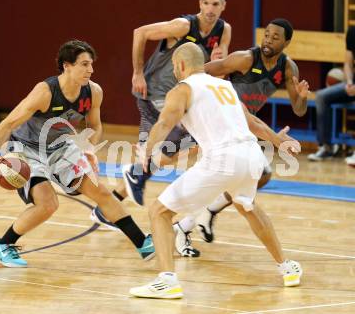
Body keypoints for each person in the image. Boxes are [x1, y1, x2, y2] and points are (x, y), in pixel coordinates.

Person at [130, 42, 303, 299]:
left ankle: (167, 280)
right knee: (247, 206)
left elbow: (166, 121)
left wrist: (146, 148)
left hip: (223, 158)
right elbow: (252, 122)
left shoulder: (182, 89)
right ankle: (287, 267)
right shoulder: (225, 86)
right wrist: (279, 142)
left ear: (180, 65)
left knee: (159, 211)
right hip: (252, 155)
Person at [0, 40, 154, 268]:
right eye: (84, 64)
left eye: (91, 64)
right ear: (67, 65)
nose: (91, 70)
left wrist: (89, 149)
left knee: (101, 192)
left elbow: (94, 126)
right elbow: (7, 124)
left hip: (62, 147)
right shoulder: (45, 92)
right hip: (27, 149)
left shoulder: (93, 92)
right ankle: (4, 244)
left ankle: (143, 244)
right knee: (47, 204)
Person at [91, 0, 232, 258]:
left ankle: (106, 208)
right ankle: (136, 174)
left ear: (224, 6)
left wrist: (217, 64)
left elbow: (216, 69)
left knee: (163, 152)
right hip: (154, 91)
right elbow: (140, 33)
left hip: (180, 95)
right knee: (182, 135)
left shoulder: (224, 30)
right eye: (207, 4)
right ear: (199, 4)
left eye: (216, 4)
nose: (211, 10)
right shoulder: (182, 26)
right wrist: (137, 72)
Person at [174, 18, 310, 245]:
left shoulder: (287, 68)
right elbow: (200, 72)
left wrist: (301, 98)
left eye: (275, 38)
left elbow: (299, 110)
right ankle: (183, 223)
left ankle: (204, 214)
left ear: (286, 43)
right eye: (266, 34)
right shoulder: (245, 58)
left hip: (243, 125)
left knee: (259, 176)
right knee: (222, 174)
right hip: (222, 121)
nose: (268, 40)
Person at [307, 26, 355, 164]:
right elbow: (347, 64)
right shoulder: (352, 32)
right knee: (322, 96)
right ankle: (326, 147)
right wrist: (350, 82)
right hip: (352, 86)